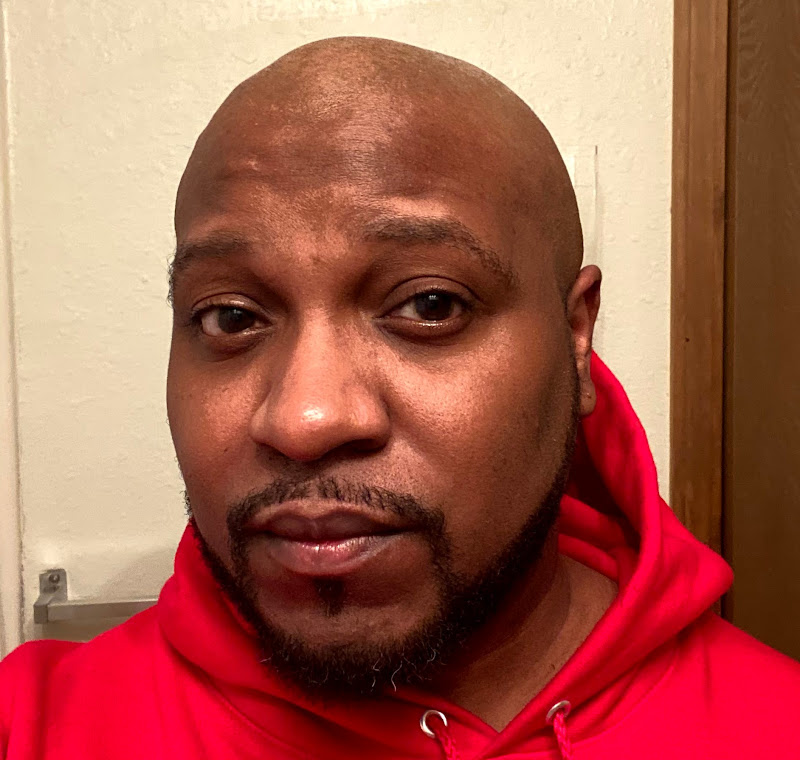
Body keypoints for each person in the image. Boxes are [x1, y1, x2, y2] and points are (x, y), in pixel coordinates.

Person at [1, 37, 798, 759]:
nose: (306, 419)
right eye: (231, 317)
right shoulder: (35, 727)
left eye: (430, 305)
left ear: (576, 336)